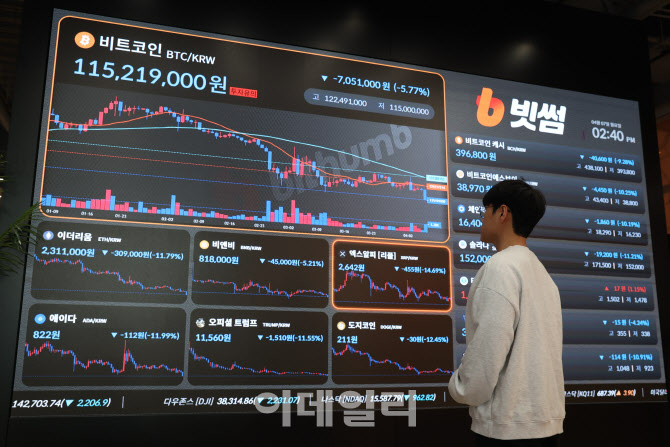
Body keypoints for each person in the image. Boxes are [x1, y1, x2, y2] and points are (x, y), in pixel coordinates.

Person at [448, 179, 565, 446]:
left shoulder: (500, 268)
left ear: (502, 212)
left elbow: (488, 354)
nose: (481, 219)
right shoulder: (543, 276)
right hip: (545, 426)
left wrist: (459, 387)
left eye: (485, 211)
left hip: (506, 430)